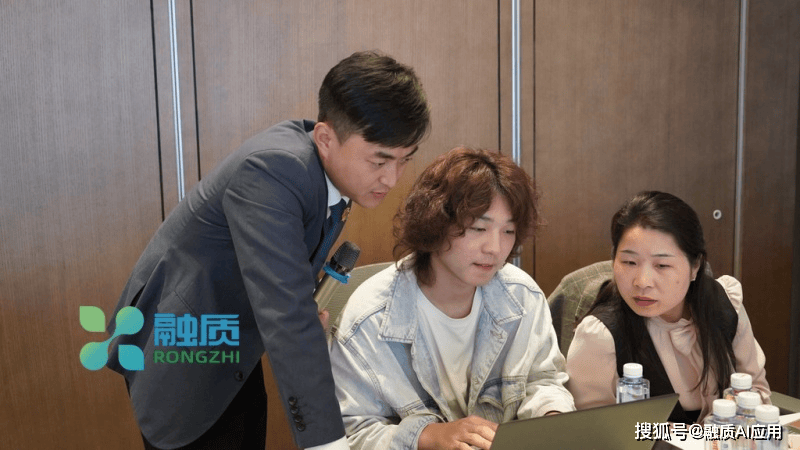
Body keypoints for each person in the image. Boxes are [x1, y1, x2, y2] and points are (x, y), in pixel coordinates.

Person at [105, 51, 430, 450]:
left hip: (236, 342)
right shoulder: (274, 170)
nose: (392, 179)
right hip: (186, 348)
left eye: (404, 161)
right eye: (380, 161)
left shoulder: (329, 171)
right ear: (325, 139)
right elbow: (289, 317)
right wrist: (329, 444)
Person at [329, 147, 575, 450]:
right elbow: (350, 435)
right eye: (479, 228)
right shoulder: (369, 318)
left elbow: (543, 380)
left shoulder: (522, 296)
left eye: (508, 231)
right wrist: (428, 436)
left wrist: (552, 417)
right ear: (435, 223)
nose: (495, 248)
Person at [565, 191, 770, 423]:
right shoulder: (600, 336)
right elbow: (593, 429)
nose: (642, 282)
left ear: (695, 266)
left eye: (662, 265)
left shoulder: (724, 304)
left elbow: (757, 392)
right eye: (629, 262)